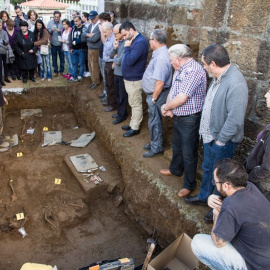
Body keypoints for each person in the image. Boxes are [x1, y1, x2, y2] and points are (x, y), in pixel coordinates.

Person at [184, 44, 249, 222]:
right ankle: (205, 197)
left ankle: (215, 207)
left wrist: (220, 140)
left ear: (213, 64)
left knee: (220, 176)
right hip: (210, 135)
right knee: (207, 168)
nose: (203, 68)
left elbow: (235, 120)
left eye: (204, 64)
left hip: (222, 140)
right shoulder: (219, 76)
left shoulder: (236, 84)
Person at [191, 158, 270, 270]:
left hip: (255, 265)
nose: (215, 185)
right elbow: (233, 203)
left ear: (226, 185)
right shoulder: (249, 186)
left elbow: (218, 242)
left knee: (197, 243)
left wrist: (216, 214)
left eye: (215, 182)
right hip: (264, 255)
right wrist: (212, 198)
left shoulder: (231, 206)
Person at [160, 44, 206, 197]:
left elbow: (182, 97)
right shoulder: (180, 69)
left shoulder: (194, 71)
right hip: (179, 115)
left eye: (171, 59)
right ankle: (175, 170)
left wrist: (166, 107)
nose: (170, 62)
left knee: (188, 152)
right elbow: (173, 91)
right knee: (177, 145)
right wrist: (169, 107)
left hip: (190, 119)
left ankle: (189, 184)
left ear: (178, 59)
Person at [141, 29, 172, 158]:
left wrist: (154, 98)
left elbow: (160, 82)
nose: (149, 42)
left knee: (155, 121)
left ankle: (156, 147)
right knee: (153, 120)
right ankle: (154, 142)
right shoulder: (159, 53)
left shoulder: (161, 57)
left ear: (155, 41)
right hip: (155, 93)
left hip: (157, 94)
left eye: (150, 39)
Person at [120, 21, 148, 137]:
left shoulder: (140, 42)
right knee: (133, 102)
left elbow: (131, 60)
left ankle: (135, 127)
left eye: (125, 34)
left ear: (131, 30)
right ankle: (132, 124)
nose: (124, 38)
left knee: (135, 103)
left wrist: (126, 48)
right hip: (130, 78)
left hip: (135, 79)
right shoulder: (134, 41)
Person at [244, 85, 270, 200]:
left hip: (262, 184)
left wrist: (249, 178)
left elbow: (266, 168)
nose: (265, 95)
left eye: (269, 91)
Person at [110, 24, 128, 124]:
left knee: (122, 96)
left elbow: (119, 61)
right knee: (117, 94)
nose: (114, 36)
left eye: (116, 33)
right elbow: (111, 55)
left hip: (122, 74)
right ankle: (119, 112)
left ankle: (122, 115)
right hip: (116, 72)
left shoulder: (126, 43)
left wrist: (116, 59)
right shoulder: (118, 42)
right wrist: (115, 48)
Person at [82, 10, 100, 90]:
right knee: (90, 65)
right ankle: (93, 80)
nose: (92, 20)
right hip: (89, 48)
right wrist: (88, 35)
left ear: (97, 17)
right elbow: (83, 34)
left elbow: (94, 39)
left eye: (93, 18)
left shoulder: (98, 26)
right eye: (91, 19)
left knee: (94, 66)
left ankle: (96, 81)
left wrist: (87, 37)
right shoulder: (90, 25)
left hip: (95, 49)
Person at [100, 22, 116, 112]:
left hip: (111, 64)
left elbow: (113, 53)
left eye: (105, 32)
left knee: (111, 84)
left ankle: (113, 104)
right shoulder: (108, 38)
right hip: (106, 63)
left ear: (111, 30)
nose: (104, 34)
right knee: (107, 84)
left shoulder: (114, 39)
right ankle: (109, 101)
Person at [68, 16, 87, 82]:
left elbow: (84, 38)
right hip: (74, 49)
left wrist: (76, 42)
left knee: (81, 63)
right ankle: (74, 76)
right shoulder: (73, 29)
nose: (75, 23)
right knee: (74, 63)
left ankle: (80, 75)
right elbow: (70, 38)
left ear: (80, 20)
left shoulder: (84, 28)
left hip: (81, 49)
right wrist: (70, 47)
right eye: (74, 21)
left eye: (77, 21)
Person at [97, 12, 111, 101]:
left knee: (107, 78)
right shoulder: (104, 28)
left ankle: (108, 95)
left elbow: (104, 41)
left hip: (107, 58)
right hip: (101, 56)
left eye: (101, 21)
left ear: (106, 20)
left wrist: (102, 31)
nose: (100, 23)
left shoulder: (108, 29)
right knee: (103, 76)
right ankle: (105, 91)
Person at [47, 11, 64, 77]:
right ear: (53, 16)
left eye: (58, 17)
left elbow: (65, 31)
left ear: (60, 17)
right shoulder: (50, 23)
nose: (56, 18)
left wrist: (60, 31)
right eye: (55, 17)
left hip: (61, 44)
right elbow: (47, 32)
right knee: (54, 58)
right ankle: (55, 71)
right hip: (53, 43)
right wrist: (51, 30)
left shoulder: (62, 23)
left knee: (62, 58)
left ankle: (61, 70)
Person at [0, 20, 10, 86]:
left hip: (4, 51)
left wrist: (2, 42)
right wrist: (3, 43)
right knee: (0, 67)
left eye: (0, 25)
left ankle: (6, 77)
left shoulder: (4, 32)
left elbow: (7, 41)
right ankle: (1, 80)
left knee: (6, 65)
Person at [81, 12, 90, 78]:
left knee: (88, 58)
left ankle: (88, 70)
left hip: (88, 44)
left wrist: (86, 34)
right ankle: (86, 70)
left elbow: (89, 34)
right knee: (84, 58)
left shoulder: (89, 25)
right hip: (83, 44)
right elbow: (83, 34)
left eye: (82, 17)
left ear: (86, 17)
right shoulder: (83, 25)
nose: (82, 18)